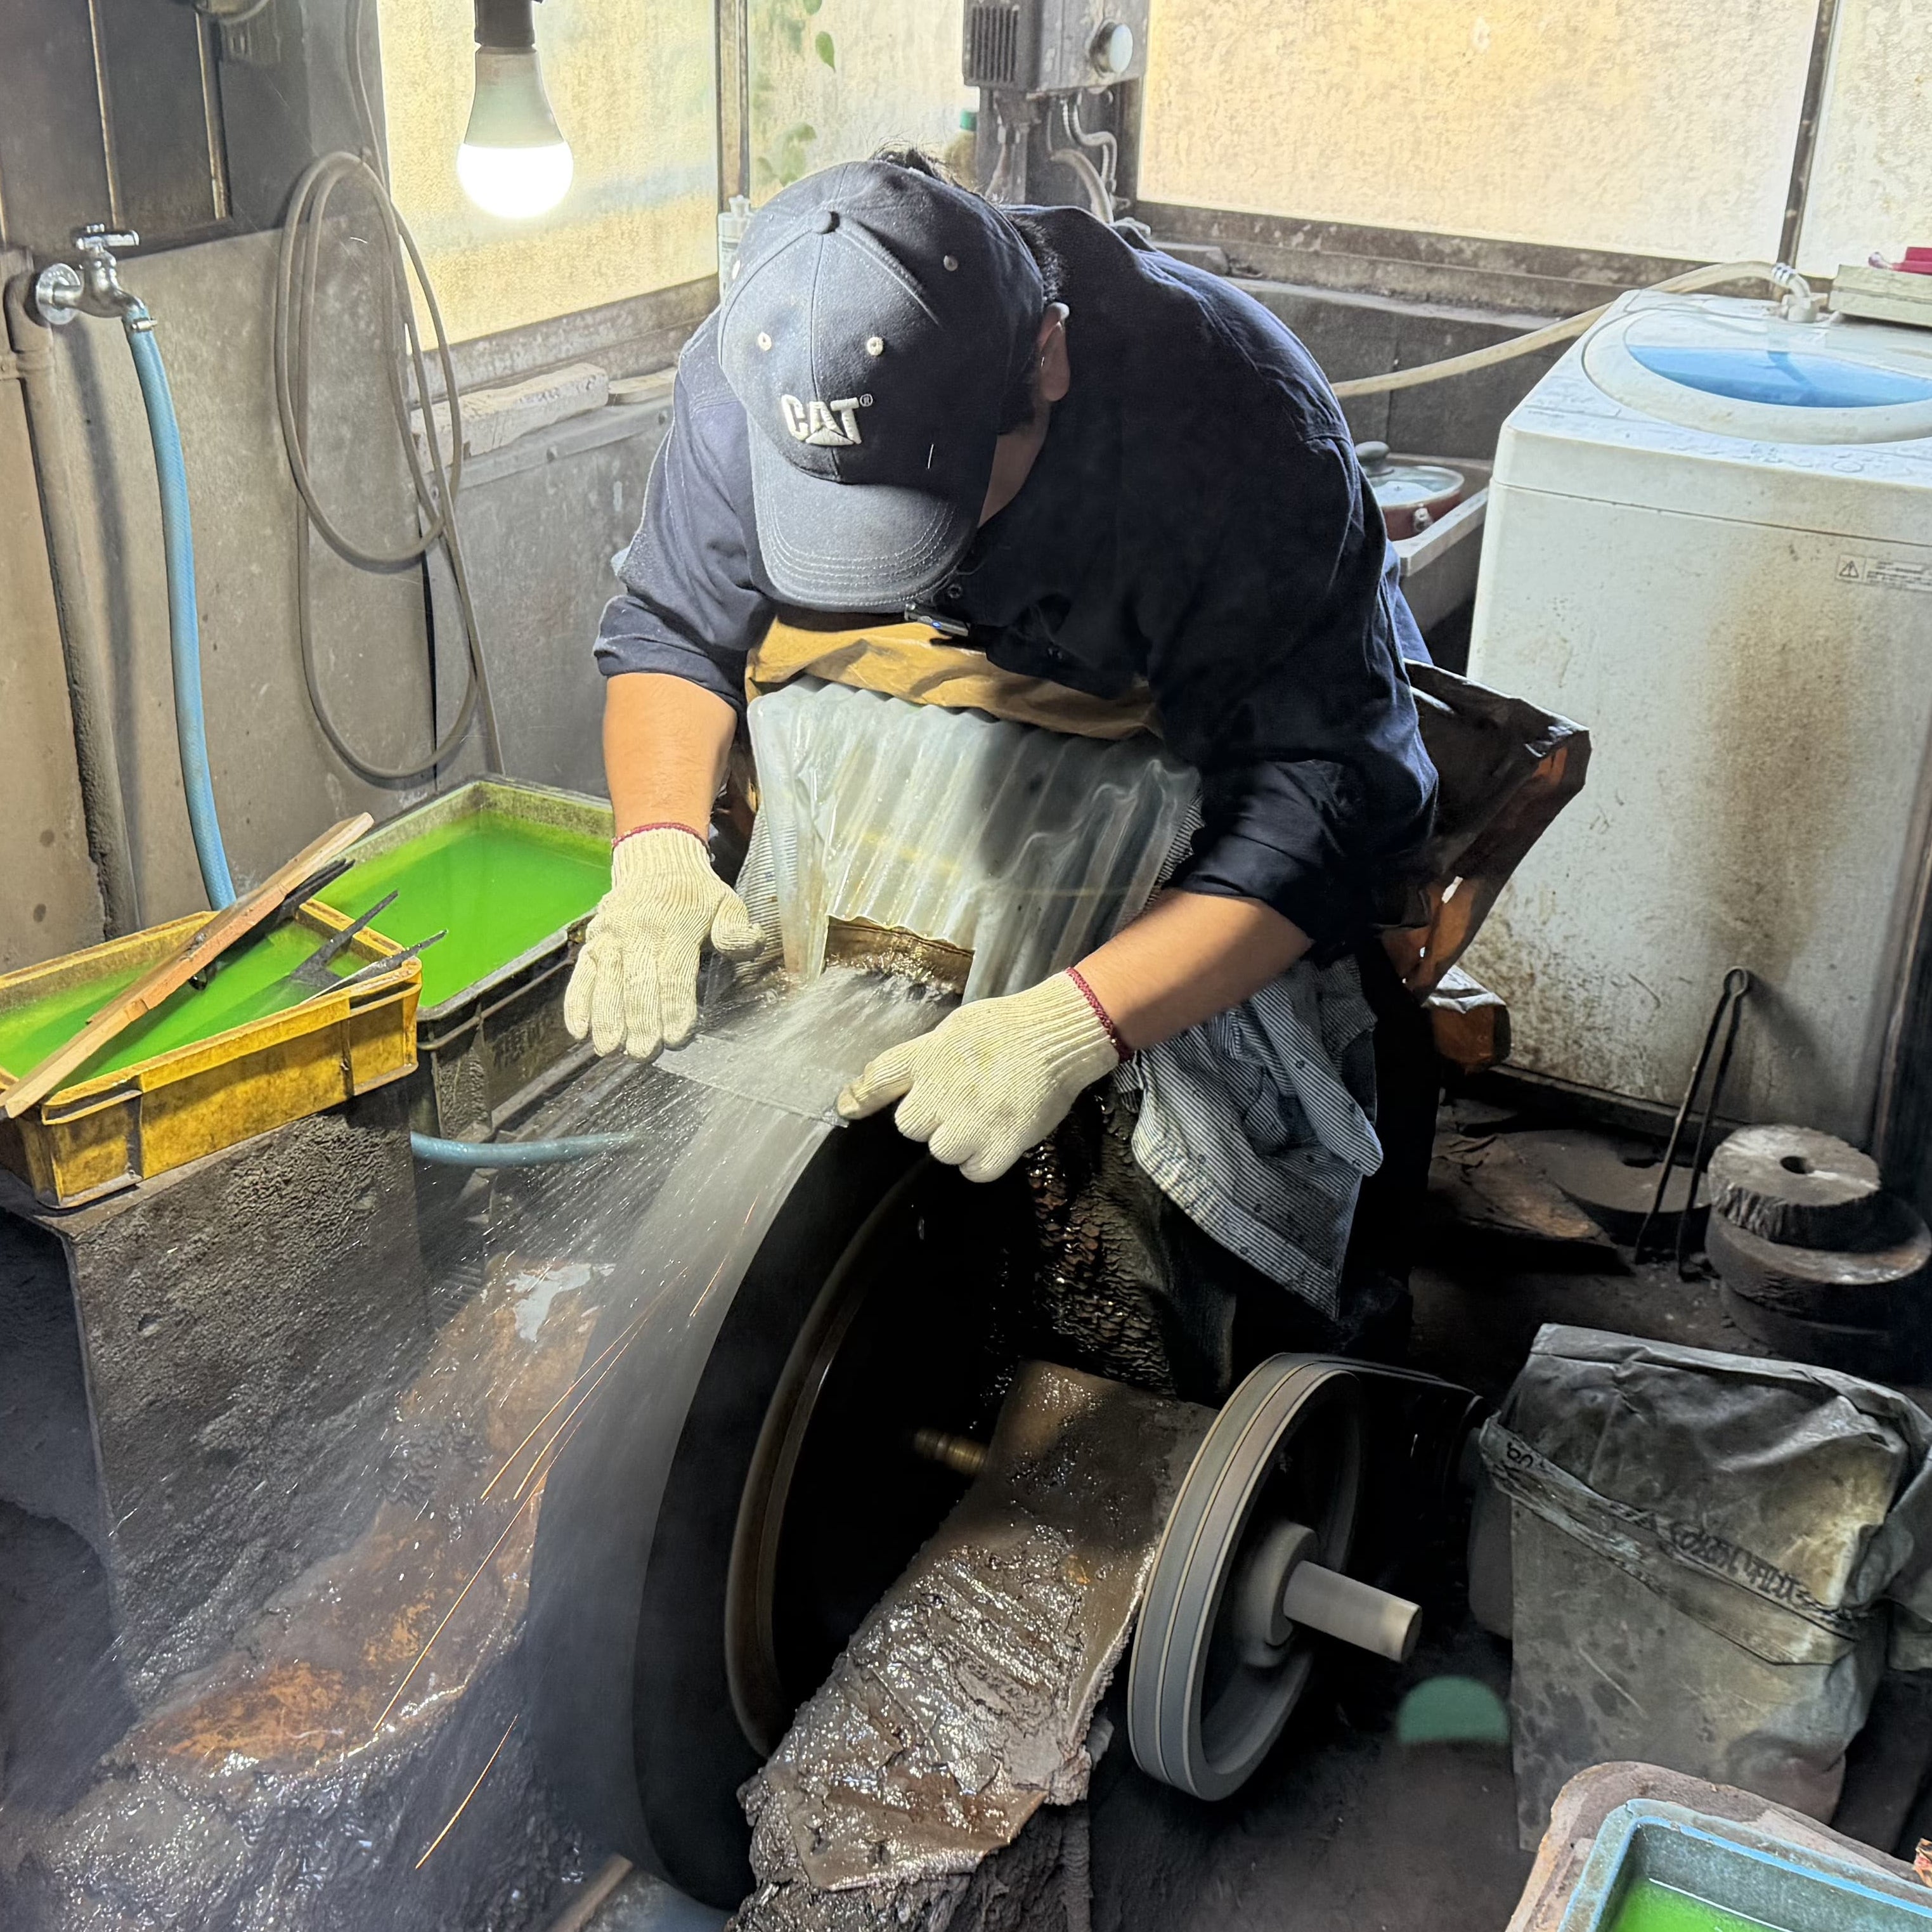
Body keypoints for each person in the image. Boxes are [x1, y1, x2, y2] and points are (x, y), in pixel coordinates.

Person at [564, 151, 1436, 1307]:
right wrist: (660, 849)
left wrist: (1074, 1025)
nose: (891, 551)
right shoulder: (762, 366)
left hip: (1216, 691)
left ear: (1049, 358)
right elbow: (676, 622)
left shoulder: (1237, 436)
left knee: (1250, 1114)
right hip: (968, 672)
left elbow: (1317, 800)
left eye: (937, 490)